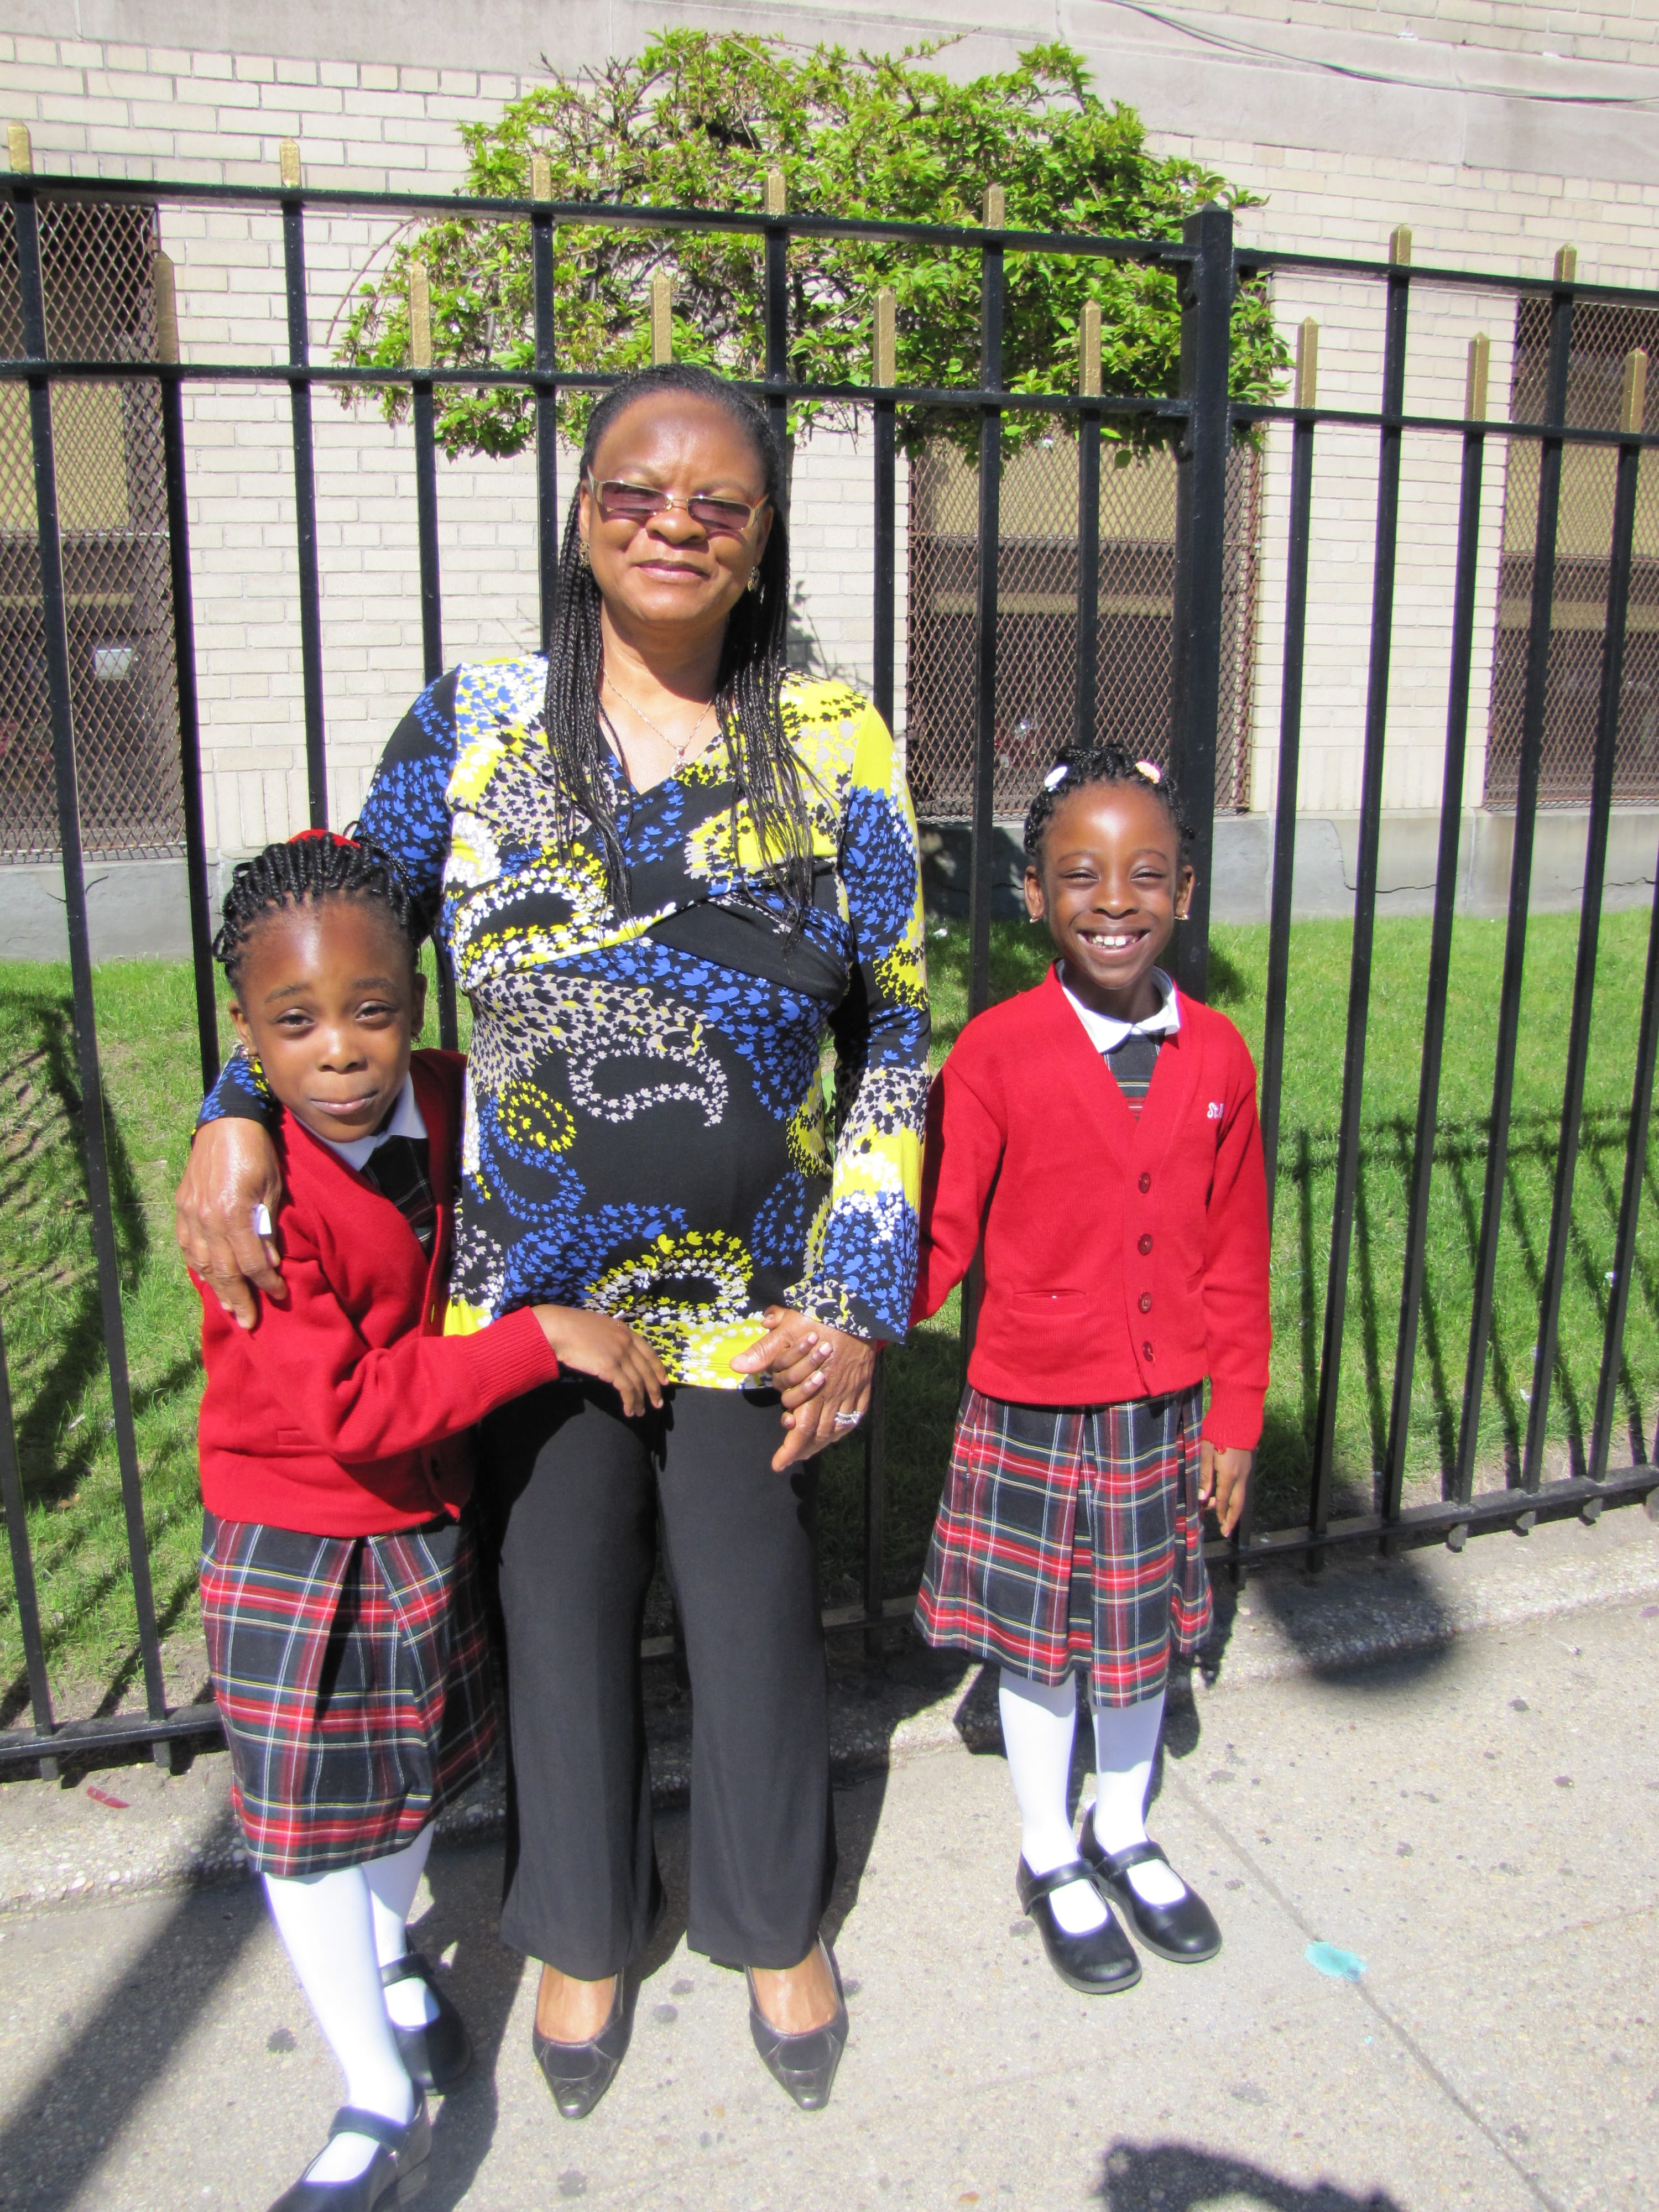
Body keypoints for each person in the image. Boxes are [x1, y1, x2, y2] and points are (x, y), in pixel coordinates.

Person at [175, 363, 929, 2116]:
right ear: (582, 516)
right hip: (524, 1289)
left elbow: (896, 1025)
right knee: (557, 1601)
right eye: (634, 492)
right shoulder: (476, 723)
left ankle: (772, 1914)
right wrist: (235, 1099)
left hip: (756, 1302)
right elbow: (329, 929)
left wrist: (862, 1292)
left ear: (760, 544)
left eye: (716, 502)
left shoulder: (831, 736)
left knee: (751, 1612)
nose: (674, 522)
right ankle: (583, 1925)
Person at [192, 829, 667, 2211]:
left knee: (403, 1786)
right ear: (247, 1035)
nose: (339, 1048)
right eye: (293, 1023)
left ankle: (396, 1953)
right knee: (303, 1827)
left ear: (418, 997)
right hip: (303, 1534)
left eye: (373, 1008)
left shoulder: (456, 1098)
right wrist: (543, 1338)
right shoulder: (258, 1198)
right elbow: (349, 1408)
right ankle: (373, 2089)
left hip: (419, 1523)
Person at [909, 746, 1269, 1996]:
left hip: (1163, 1407)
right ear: (1033, 896)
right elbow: (942, 1227)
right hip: (1033, 1402)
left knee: (1135, 1638)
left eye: (1146, 874)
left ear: (1182, 889)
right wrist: (859, 1319)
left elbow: (1236, 1247)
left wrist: (1237, 1407)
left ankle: (1124, 1825)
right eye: (1081, 874)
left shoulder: (1217, 1054)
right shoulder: (996, 1053)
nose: (1114, 899)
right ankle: (1050, 1848)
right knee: (1043, 1643)